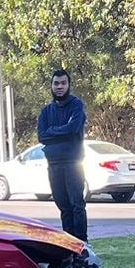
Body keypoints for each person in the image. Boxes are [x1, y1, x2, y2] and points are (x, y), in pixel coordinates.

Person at [37, 68, 88, 241]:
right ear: (51, 86)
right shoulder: (45, 112)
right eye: (56, 83)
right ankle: (69, 244)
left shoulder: (76, 105)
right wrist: (61, 132)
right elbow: (41, 136)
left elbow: (73, 129)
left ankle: (82, 245)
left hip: (73, 163)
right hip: (53, 164)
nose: (60, 87)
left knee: (77, 205)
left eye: (63, 83)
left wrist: (52, 131)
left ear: (69, 85)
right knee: (63, 207)